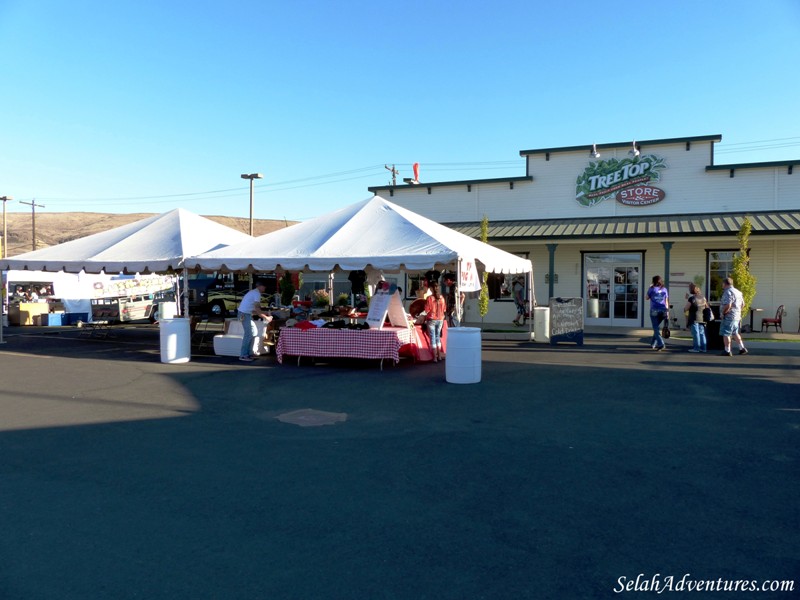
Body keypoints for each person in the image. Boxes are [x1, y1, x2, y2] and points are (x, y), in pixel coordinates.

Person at [237, 280, 270, 362]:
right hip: (244, 315)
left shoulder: (253, 292)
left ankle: (248, 353)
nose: (264, 289)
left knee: (253, 332)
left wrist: (264, 313)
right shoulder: (257, 294)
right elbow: (257, 309)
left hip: (245, 314)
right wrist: (266, 317)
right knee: (248, 334)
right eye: (264, 287)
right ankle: (243, 355)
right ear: (260, 286)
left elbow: (254, 310)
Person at [719, 276, 748, 357]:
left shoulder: (728, 292)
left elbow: (728, 304)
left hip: (729, 316)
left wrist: (723, 313)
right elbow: (743, 304)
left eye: (722, 284)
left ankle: (727, 350)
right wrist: (737, 311)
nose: (722, 285)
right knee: (735, 333)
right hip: (737, 316)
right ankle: (742, 348)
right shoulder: (738, 292)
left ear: (725, 284)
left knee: (726, 333)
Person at [424, 281, 447, 362]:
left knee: (432, 338)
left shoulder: (429, 298)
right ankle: (439, 356)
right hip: (440, 319)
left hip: (431, 319)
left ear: (431, 289)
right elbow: (444, 309)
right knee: (438, 337)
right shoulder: (442, 298)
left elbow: (426, 310)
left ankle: (434, 357)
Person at [646, 275, 669, 350]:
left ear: (654, 281)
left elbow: (646, 298)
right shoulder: (664, 289)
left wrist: (650, 287)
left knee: (656, 328)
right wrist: (667, 312)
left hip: (654, 310)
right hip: (663, 310)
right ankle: (653, 344)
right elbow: (666, 301)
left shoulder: (652, 289)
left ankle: (661, 344)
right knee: (656, 328)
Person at [683, 283, 707, 353]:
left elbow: (686, 308)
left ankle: (696, 348)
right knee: (702, 333)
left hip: (694, 318)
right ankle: (704, 348)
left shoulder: (692, 299)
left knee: (696, 334)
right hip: (702, 318)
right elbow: (707, 307)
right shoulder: (703, 298)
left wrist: (685, 309)